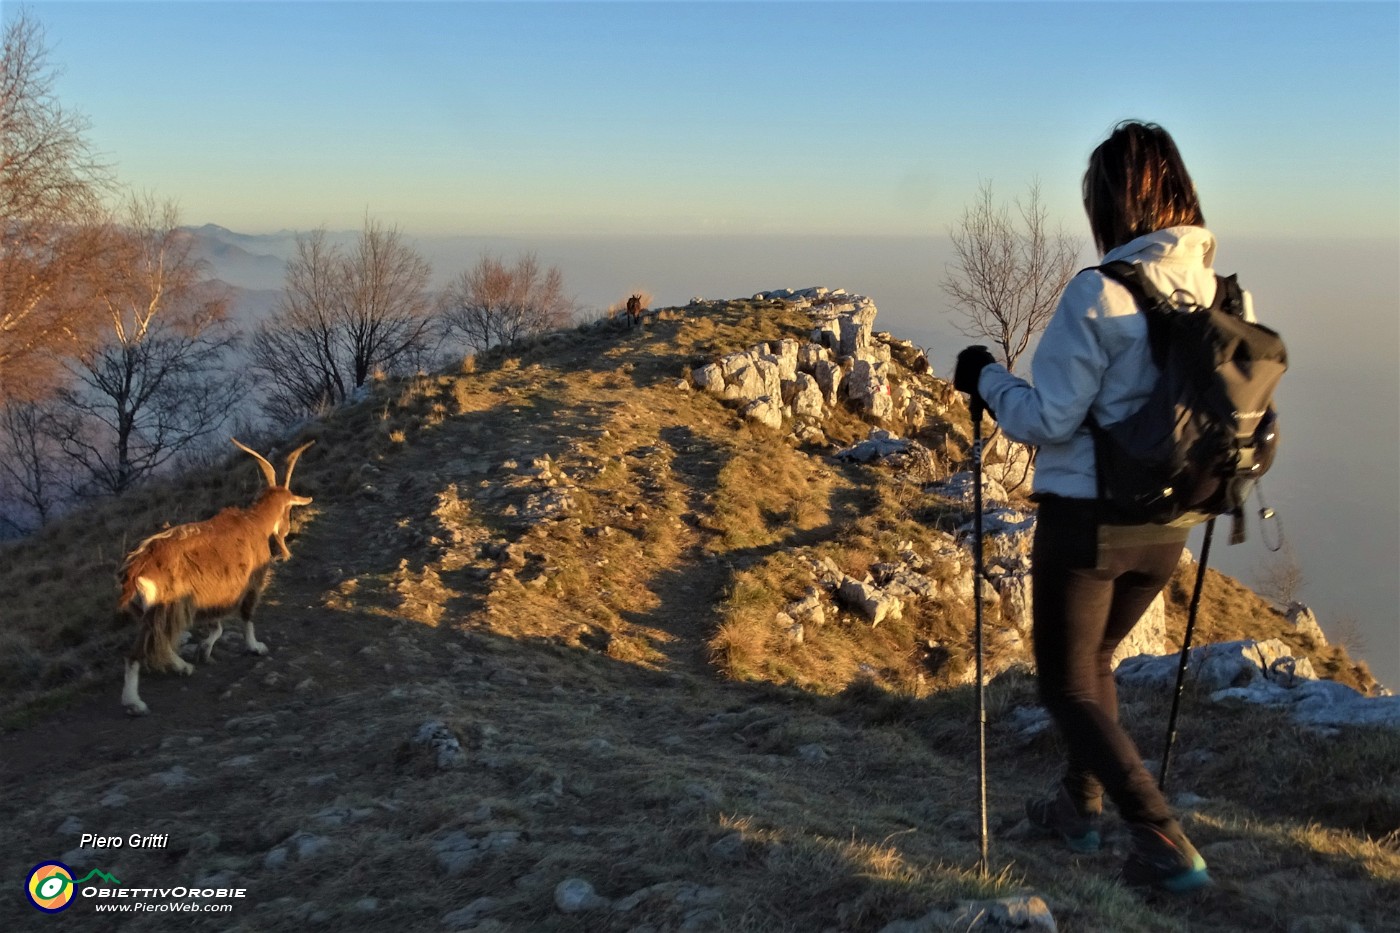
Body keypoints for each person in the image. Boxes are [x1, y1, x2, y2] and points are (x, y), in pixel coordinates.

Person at [953, 121, 1237, 893]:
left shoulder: (1099, 290)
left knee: (1067, 684)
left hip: (1089, 523)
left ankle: (1162, 838)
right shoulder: (1216, 288)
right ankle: (1077, 808)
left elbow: (1046, 418)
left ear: (1113, 203)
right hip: (1171, 523)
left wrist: (983, 376)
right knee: (1097, 662)